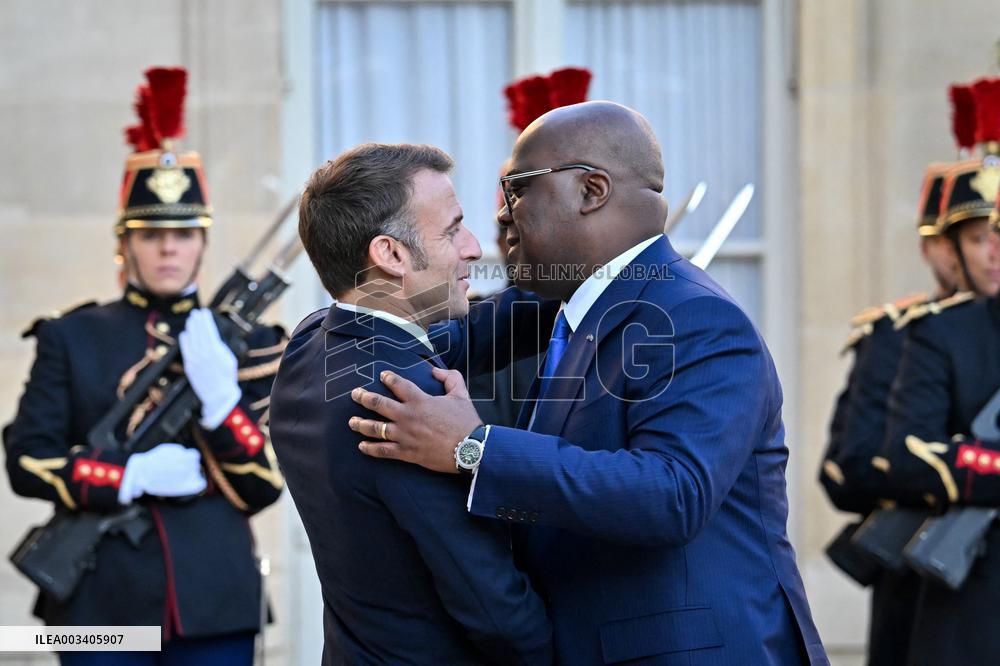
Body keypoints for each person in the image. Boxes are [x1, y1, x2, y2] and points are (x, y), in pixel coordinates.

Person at [348, 101, 828, 664]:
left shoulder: (696, 315)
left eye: (516, 189)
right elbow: (402, 337)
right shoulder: (564, 302)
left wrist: (474, 448)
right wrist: (324, 329)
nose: (500, 215)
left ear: (591, 191)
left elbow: (674, 495)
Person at [3, 67, 286, 665]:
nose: (168, 247)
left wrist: (221, 405)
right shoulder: (71, 336)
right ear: (124, 243)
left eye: (183, 233)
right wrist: (126, 477)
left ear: (202, 242)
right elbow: (27, 459)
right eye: (151, 232)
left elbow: (262, 486)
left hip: (215, 605)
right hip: (99, 609)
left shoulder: (251, 343)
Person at [268, 143, 553, 664]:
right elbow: (491, 603)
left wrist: (591, 276)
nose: (473, 248)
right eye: (452, 230)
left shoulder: (313, 341)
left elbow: (476, 333)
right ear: (391, 254)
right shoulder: (404, 401)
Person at [879, 145, 1000, 665]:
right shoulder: (944, 334)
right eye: (982, 239)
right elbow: (908, 452)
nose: (992, 252)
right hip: (978, 601)